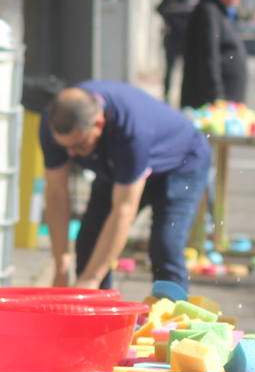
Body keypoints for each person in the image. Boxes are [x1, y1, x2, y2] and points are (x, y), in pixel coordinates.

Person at [40, 83, 211, 291]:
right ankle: (99, 316)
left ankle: (172, 316)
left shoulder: (131, 131)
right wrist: (61, 266)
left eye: (79, 145)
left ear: (99, 124)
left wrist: (91, 279)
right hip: (116, 167)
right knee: (89, 244)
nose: (72, 154)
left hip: (180, 165)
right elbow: (56, 196)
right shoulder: (54, 124)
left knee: (165, 246)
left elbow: (124, 210)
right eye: (64, 147)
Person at [181, 0, 249, 110]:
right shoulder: (209, 12)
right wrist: (217, 99)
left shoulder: (221, 11)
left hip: (226, 106)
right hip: (213, 107)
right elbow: (209, 58)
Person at [156, 0, 198, 102]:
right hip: (172, 37)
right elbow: (160, 9)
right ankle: (166, 96)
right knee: (170, 69)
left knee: (189, 71)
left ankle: (186, 97)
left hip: (189, 40)